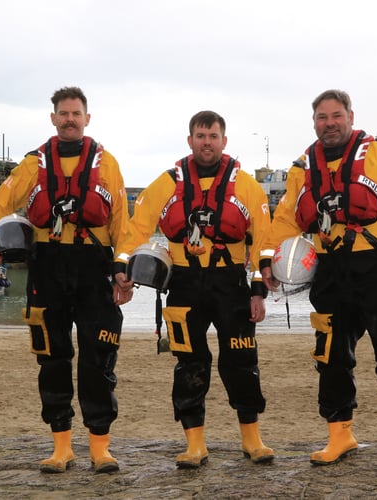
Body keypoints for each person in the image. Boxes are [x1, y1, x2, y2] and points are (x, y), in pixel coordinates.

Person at [262, 89, 377, 474]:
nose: (330, 123)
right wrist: (269, 262)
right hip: (329, 272)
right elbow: (286, 219)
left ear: (350, 116)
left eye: (336, 116)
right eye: (322, 118)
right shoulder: (302, 167)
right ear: (314, 122)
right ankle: (340, 434)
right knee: (331, 357)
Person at [0, 86, 132, 474]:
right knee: (52, 357)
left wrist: (122, 271)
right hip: (47, 267)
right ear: (53, 119)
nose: (69, 119)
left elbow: (122, 224)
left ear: (87, 118)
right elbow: (0, 203)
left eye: (76, 113)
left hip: (94, 268)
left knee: (99, 358)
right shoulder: (33, 165)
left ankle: (100, 447)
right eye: (63, 114)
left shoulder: (106, 164)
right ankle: (61, 445)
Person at [114, 110, 274, 468]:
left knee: (242, 362)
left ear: (224, 141)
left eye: (213, 136)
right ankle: (194, 444)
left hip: (231, 283)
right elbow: (135, 229)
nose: (207, 142)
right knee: (189, 363)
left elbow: (264, 239)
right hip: (183, 285)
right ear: (190, 141)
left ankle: (252, 440)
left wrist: (258, 289)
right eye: (200, 136)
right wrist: (122, 266)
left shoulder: (245, 185)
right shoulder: (166, 183)